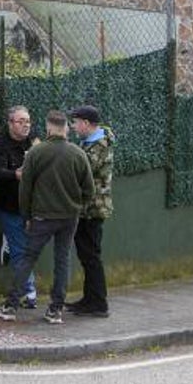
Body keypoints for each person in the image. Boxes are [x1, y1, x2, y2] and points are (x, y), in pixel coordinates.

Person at [0, 110, 93, 325]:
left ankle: (10, 306)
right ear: (65, 128)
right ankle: (55, 310)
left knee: (27, 259)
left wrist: (27, 215)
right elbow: (89, 190)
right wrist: (77, 206)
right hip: (69, 217)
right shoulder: (78, 154)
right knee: (62, 260)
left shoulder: (37, 153)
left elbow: (25, 190)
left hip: (41, 217)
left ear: (48, 128)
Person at [67, 104, 114, 318]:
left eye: (76, 123)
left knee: (91, 256)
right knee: (87, 256)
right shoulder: (89, 142)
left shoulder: (99, 145)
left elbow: (82, 169)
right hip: (85, 208)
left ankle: (99, 303)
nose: (73, 127)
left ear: (86, 123)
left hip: (93, 209)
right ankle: (89, 300)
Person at [0, 105, 38, 309]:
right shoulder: (1, 146)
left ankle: (27, 289)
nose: (25, 125)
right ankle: (28, 291)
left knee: (29, 249)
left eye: (27, 121)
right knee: (20, 251)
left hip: (34, 208)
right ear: (10, 123)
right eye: (20, 121)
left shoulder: (35, 143)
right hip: (10, 207)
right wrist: (15, 175)